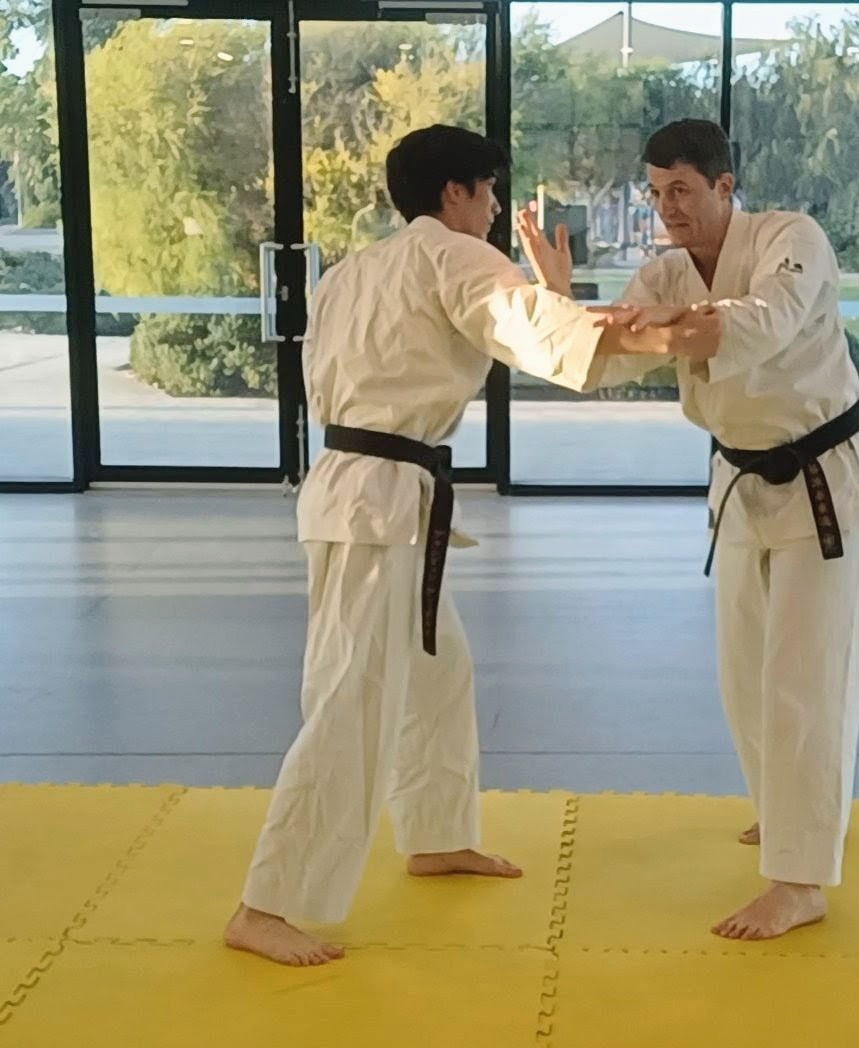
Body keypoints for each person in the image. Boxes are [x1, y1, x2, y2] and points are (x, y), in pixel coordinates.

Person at [224, 124, 716, 967]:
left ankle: (436, 833)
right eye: (489, 191)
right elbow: (531, 331)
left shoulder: (361, 268)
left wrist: (559, 300)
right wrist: (661, 334)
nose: (495, 210)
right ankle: (267, 902)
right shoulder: (453, 257)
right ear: (454, 193)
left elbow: (520, 321)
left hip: (365, 491)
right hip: (377, 502)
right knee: (351, 700)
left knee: (436, 673)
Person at [518, 118, 859, 941]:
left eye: (680, 189)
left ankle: (800, 878)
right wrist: (565, 303)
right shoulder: (667, 271)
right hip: (741, 478)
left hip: (822, 477)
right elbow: (605, 360)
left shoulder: (795, 240)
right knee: (745, 674)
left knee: (805, 677)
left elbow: (751, 323)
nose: (666, 207)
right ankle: (789, 814)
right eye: (655, 192)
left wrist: (644, 326)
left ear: (724, 186)